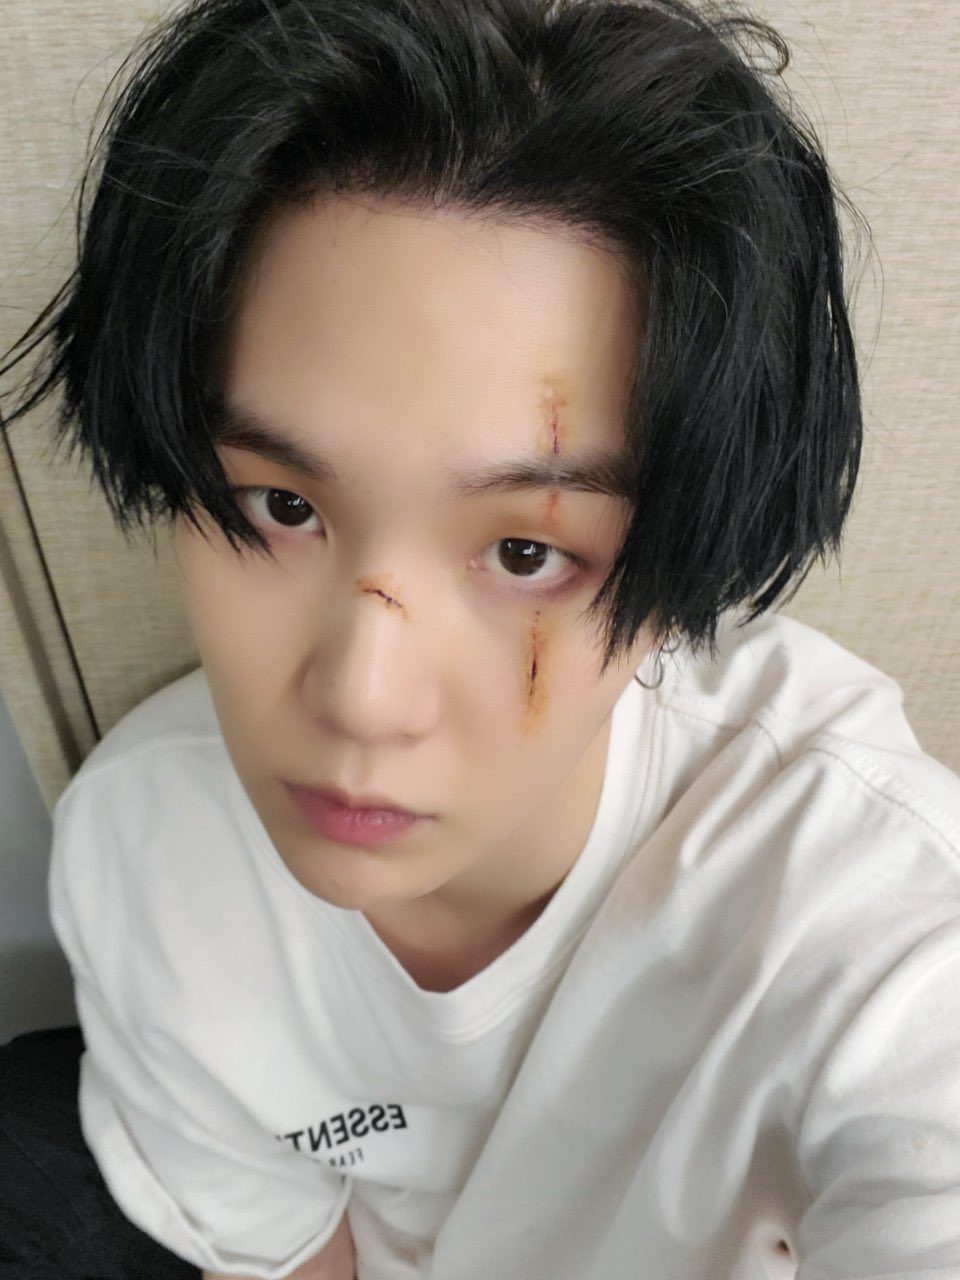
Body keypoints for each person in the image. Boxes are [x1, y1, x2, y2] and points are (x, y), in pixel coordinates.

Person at [2, 0, 960, 1276]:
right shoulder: (147, 847)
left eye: (524, 552)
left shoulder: (866, 919)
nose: (362, 694)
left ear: (687, 561)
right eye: (280, 507)